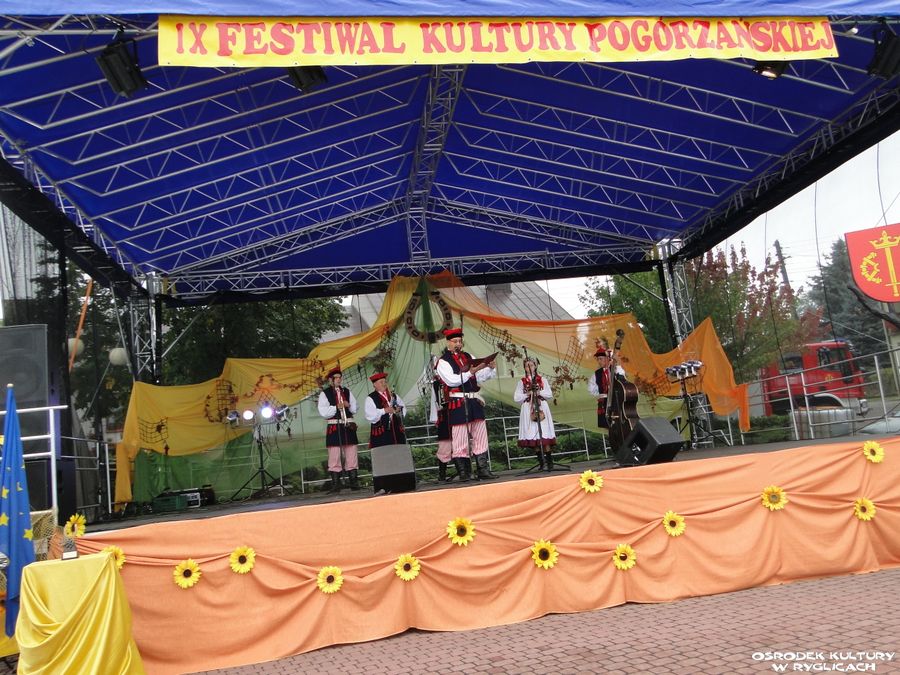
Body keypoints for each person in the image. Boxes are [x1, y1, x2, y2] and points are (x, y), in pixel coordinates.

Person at [436, 327, 498, 481]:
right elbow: (452, 381)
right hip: (458, 401)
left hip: (474, 400)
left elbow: (480, 377)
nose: (458, 344)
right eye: (455, 341)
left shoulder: (469, 356)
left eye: (460, 341)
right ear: (448, 343)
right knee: (460, 437)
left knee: (480, 435)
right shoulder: (443, 361)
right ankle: (464, 472)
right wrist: (471, 372)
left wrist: (489, 368)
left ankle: (482, 469)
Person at [317, 367, 360, 493]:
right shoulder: (325, 393)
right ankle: (336, 484)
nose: (339, 380)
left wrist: (348, 405)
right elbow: (323, 412)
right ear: (330, 380)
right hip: (334, 425)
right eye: (336, 378)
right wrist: (337, 406)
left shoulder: (347, 391)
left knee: (352, 453)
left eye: (340, 378)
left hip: (348, 424)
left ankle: (353, 482)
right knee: (334, 455)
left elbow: (354, 408)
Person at [513, 357, 557, 470]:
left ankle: (550, 462)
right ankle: (542, 462)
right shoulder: (521, 382)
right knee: (533, 435)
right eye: (527, 366)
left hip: (541, 407)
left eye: (531, 365)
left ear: (535, 366)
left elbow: (549, 394)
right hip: (528, 408)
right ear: (524, 368)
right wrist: (527, 394)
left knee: (544, 434)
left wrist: (538, 392)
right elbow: (516, 398)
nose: (529, 368)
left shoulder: (542, 380)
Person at [429, 357, 454, 483]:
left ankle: (463, 471)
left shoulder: (455, 379)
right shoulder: (436, 384)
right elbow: (434, 402)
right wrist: (435, 419)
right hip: (444, 417)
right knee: (444, 446)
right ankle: (442, 474)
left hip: (456, 413)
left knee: (461, 443)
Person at [588, 346, 626, 429]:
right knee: (608, 427)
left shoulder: (615, 369)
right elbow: (591, 389)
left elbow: (622, 379)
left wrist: (616, 364)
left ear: (607, 358)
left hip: (616, 401)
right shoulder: (596, 374)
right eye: (598, 359)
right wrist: (601, 395)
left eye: (601, 359)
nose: (599, 361)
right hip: (604, 404)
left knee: (620, 424)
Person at [365, 372, 407, 447]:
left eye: (385, 382)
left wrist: (399, 410)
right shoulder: (370, 398)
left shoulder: (393, 396)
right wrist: (384, 410)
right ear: (375, 384)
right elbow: (370, 416)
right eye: (381, 382)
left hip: (397, 433)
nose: (384, 384)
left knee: (400, 451)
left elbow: (403, 407)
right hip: (381, 435)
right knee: (384, 453)